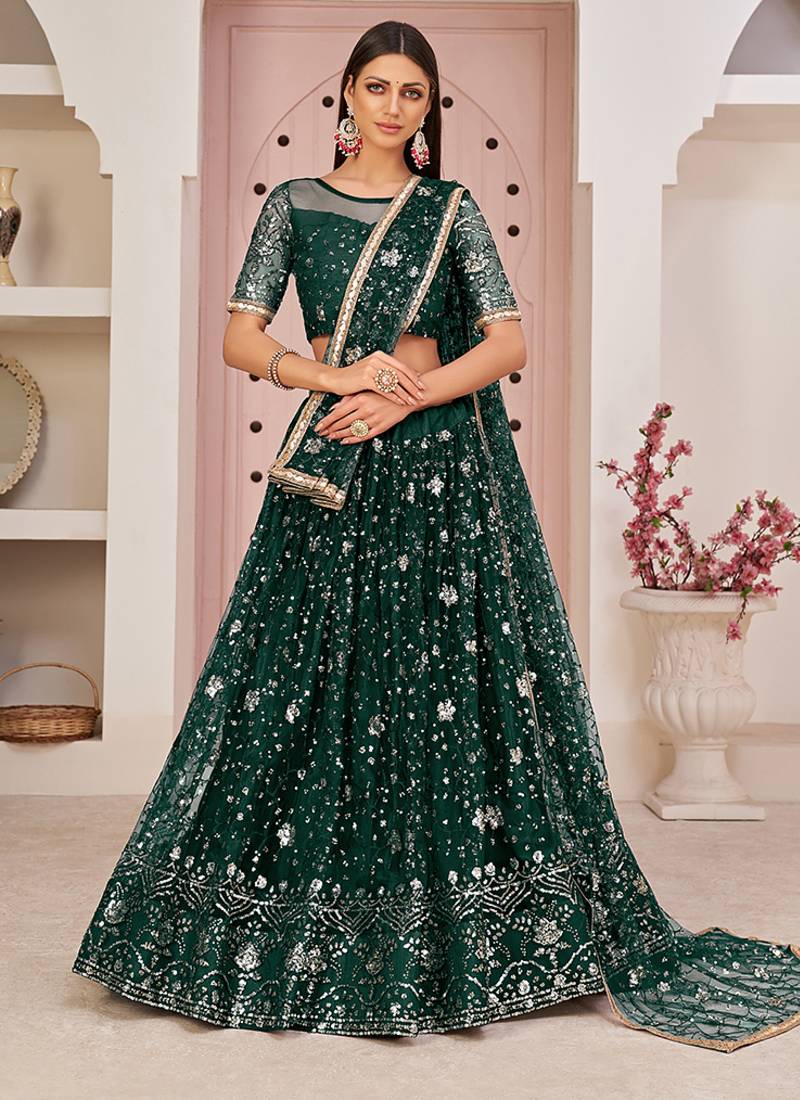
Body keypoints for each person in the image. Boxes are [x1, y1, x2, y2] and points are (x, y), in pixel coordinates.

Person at [71, 20, 800, 1050]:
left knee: (437, 675)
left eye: (412, 92)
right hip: (331, 462)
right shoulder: (294, 204)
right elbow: (241, 335)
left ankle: (450, 928)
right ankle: (301, 922)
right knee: (307, 673)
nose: (393, 106)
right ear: (347, 94)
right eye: (377, 87)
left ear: (427, 109)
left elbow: (506, 341)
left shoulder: (450, 208)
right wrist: (338, 379)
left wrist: (401, 399)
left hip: (438, 465)